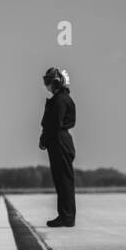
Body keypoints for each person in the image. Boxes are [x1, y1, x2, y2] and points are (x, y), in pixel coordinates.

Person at [39, 67, 77, 227]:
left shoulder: (60, 100)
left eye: (48, 81)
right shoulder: (61, 98)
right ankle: (65, 215)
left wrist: (44, 139)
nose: (47, 85)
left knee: (64, 181)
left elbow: (54, 124)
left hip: (59, 141)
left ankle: (67, 217)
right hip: (59, 140)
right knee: (61, 181)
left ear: (55, 82)